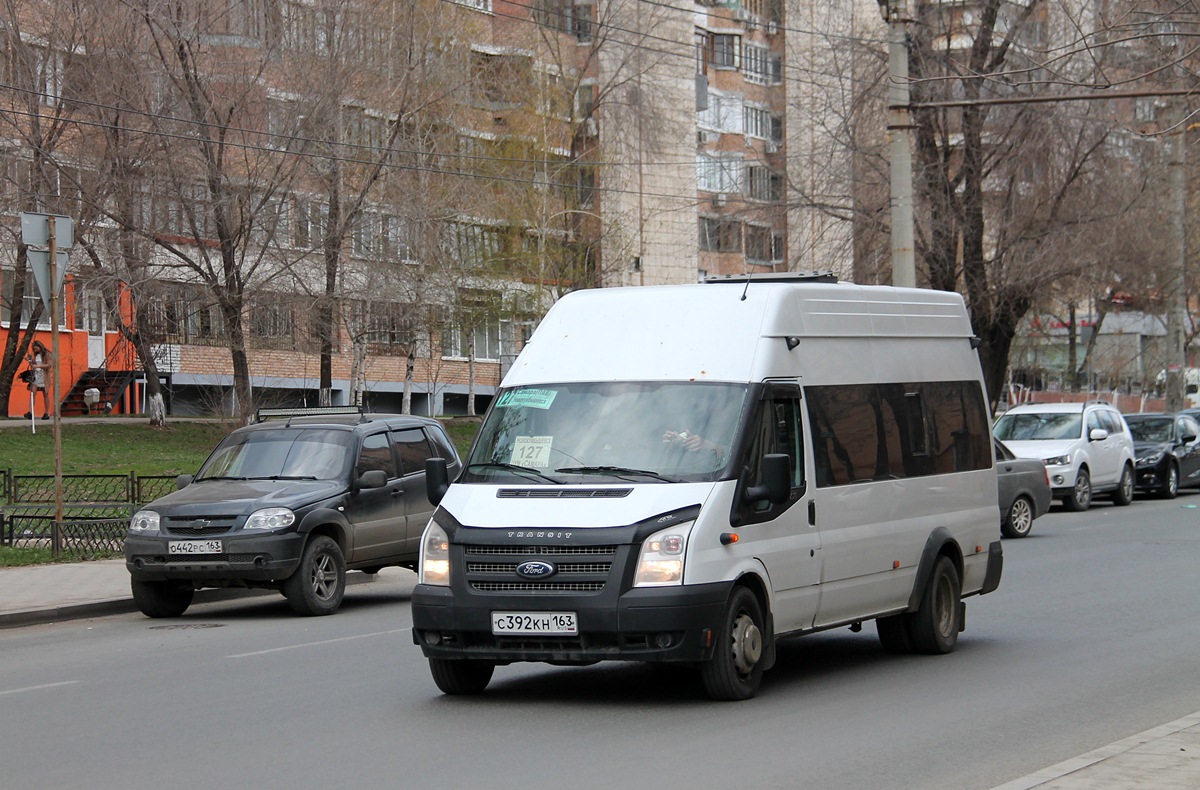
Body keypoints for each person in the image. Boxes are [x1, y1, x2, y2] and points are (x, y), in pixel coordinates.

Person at [25, 340, 50, 420]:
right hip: (36, 375)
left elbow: (49, 365)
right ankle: (30, 412)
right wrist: (30, 361)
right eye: (34, 349)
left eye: (36, 348)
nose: (34, 350)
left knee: (45, 394)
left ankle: (46, 413)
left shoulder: (46, 354)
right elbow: (34, 364)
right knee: (32, 393)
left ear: (40, 347)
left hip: (43, 376)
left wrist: (38, 366)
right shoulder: (36, 355)